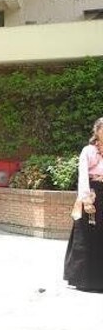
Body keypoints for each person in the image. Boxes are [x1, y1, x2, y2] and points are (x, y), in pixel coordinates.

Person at [64, 117, 103, 292]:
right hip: (92, 193)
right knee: (87, 234)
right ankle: (86, 279)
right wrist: (86, 199)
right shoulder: (88, 150)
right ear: (97, 131)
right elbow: (83, 176)